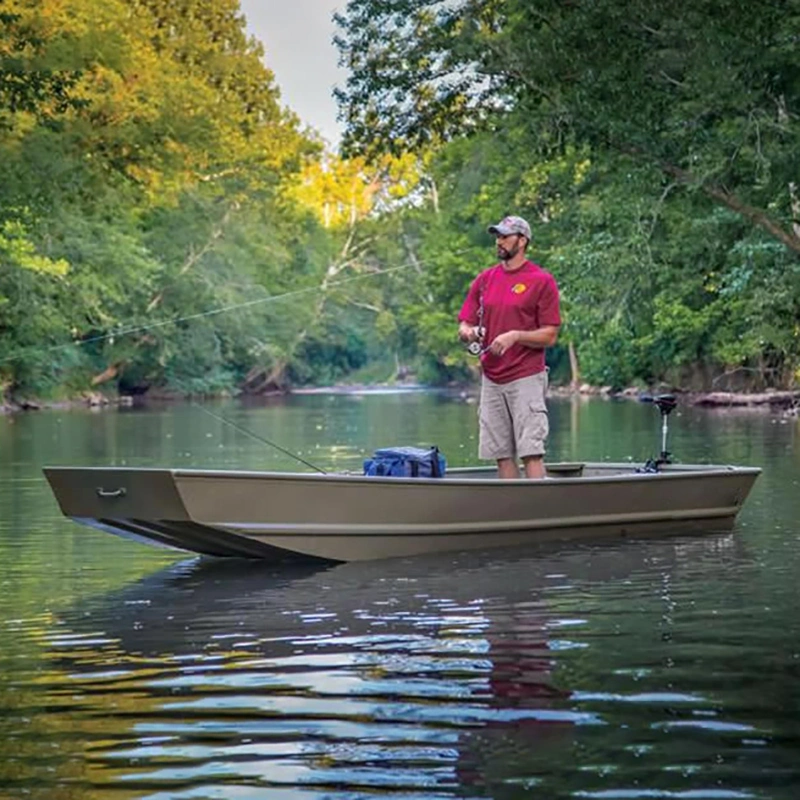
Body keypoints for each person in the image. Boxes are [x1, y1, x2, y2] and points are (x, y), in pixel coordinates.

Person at [458, 215, 561, 479]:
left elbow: (550, 335)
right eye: (498, 236)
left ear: (523, 240)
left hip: (526, 376)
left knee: (531, 452)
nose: (499, 241)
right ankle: (514, 512)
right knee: (501, 454)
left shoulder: (541, 280)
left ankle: (539, 512)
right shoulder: (485, 279)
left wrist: (515, 336)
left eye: (505, 236)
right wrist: (471, 332)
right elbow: (464, 324)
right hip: (492, 378)